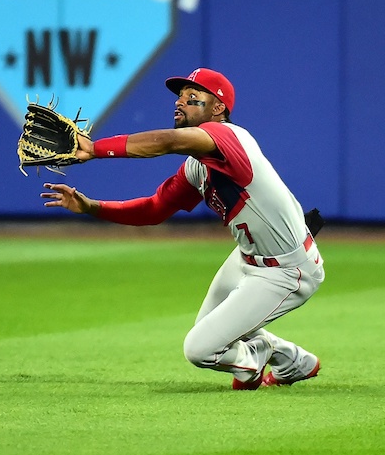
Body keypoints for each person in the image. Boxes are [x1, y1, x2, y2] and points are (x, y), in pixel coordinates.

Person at [40, 68, 325, 390]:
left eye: (192, 98)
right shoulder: (196, 166)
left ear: (218, 109)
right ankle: (292, 360)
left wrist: (95, 148)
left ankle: (258, 353)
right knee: (212, 331)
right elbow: (154, 209)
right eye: (179, 99)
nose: (180, 104)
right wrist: (92, 206)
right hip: (246, 258)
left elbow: (166, 141)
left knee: (201, 350)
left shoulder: (230, 137)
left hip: (286, 270)